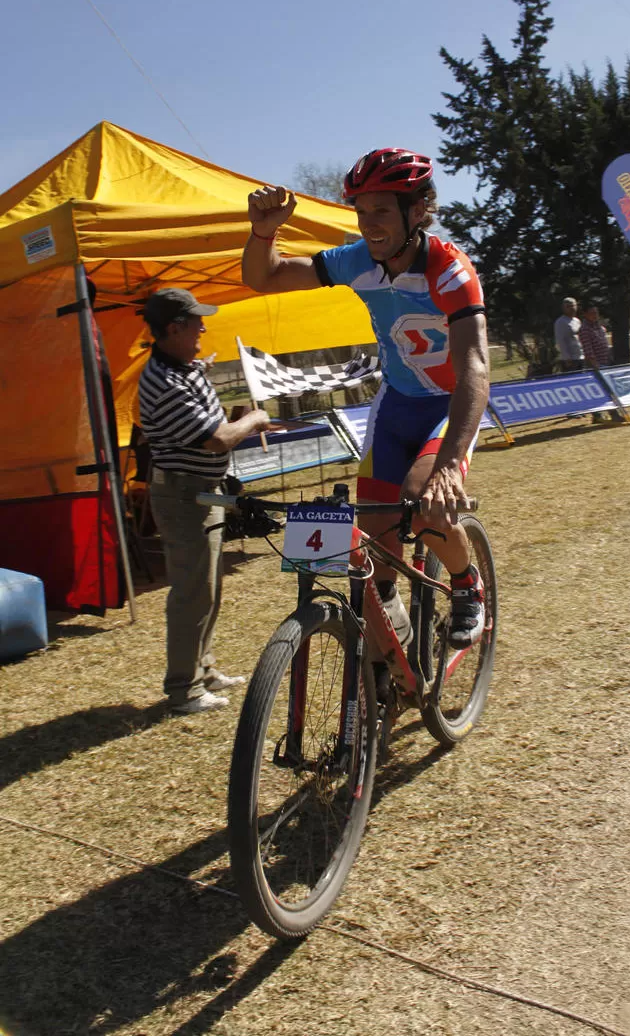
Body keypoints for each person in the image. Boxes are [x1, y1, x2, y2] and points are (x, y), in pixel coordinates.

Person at [242, 148, 490, 651]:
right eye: (360, 210)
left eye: (381, 210)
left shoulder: (449, 271)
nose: (368, 224)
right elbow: (262, 277)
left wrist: (446, 467)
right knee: (373, 535)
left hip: (447, 404)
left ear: (418, 210)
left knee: (425, 502)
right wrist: (263, 232)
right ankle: (390, 642)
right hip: (397, 402)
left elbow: (475, 369)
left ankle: (468, 587)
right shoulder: (356, 260)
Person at [138, 288, 273, 714]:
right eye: (196, 322)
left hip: (198, 490)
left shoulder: (180, 367)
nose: (204, 328)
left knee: (207, 589)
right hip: (182, 494)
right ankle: (184, 690)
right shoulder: (165, 381)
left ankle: (204, 671)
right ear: (174, 329)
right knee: (192, 592)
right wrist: (253, 418)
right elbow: (216, 440)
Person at [554, 297, 584, 372]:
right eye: (568, 307)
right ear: (563, 308)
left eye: (573, 306)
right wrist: (567, 358)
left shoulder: (577, 321)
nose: (571, 308)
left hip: (580, 356)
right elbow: (561, 341)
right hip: (570, 359)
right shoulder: (561, 322)